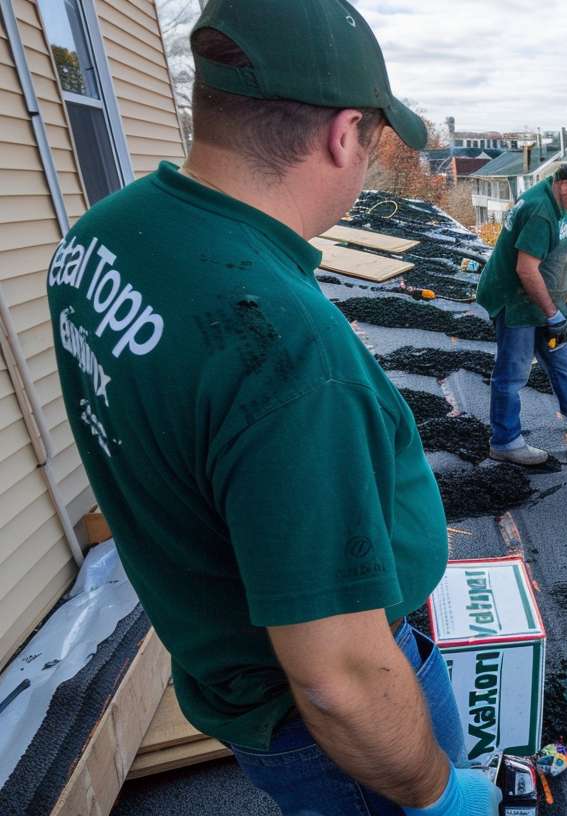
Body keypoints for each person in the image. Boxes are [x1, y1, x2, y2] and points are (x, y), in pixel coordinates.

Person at [44, 1, 495, 813]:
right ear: (343, 135)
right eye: (373, 144)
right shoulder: (286, 351)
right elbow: (339, 680)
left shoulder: (103, 237)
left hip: (230, 674)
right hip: (329, 737)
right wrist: (436, 793)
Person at [476, 162, 567, 464]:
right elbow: (526, 270)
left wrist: (554, 310)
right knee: (512, 374)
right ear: (564, 185)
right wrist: (552, 314)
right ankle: (505, 442)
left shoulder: (555, 201)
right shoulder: (541, 211)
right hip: (517, 303)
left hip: (541, 303)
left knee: (564, 366)